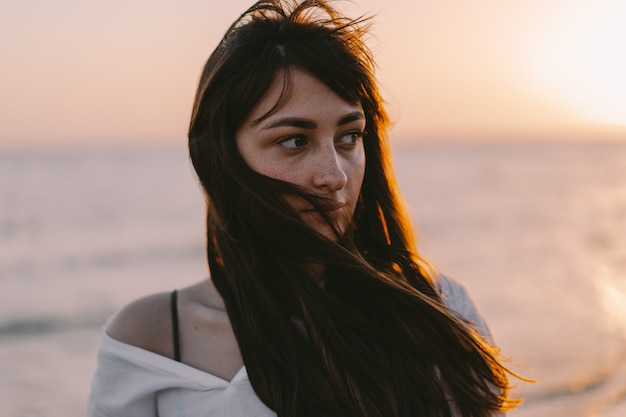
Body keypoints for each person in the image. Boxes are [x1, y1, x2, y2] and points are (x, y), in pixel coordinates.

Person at [89, 1, 522, 416]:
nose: (334, 175)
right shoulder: (150, 341)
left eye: (349, 137)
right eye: (294, 140)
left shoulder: (435, 309)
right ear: (221, 157)